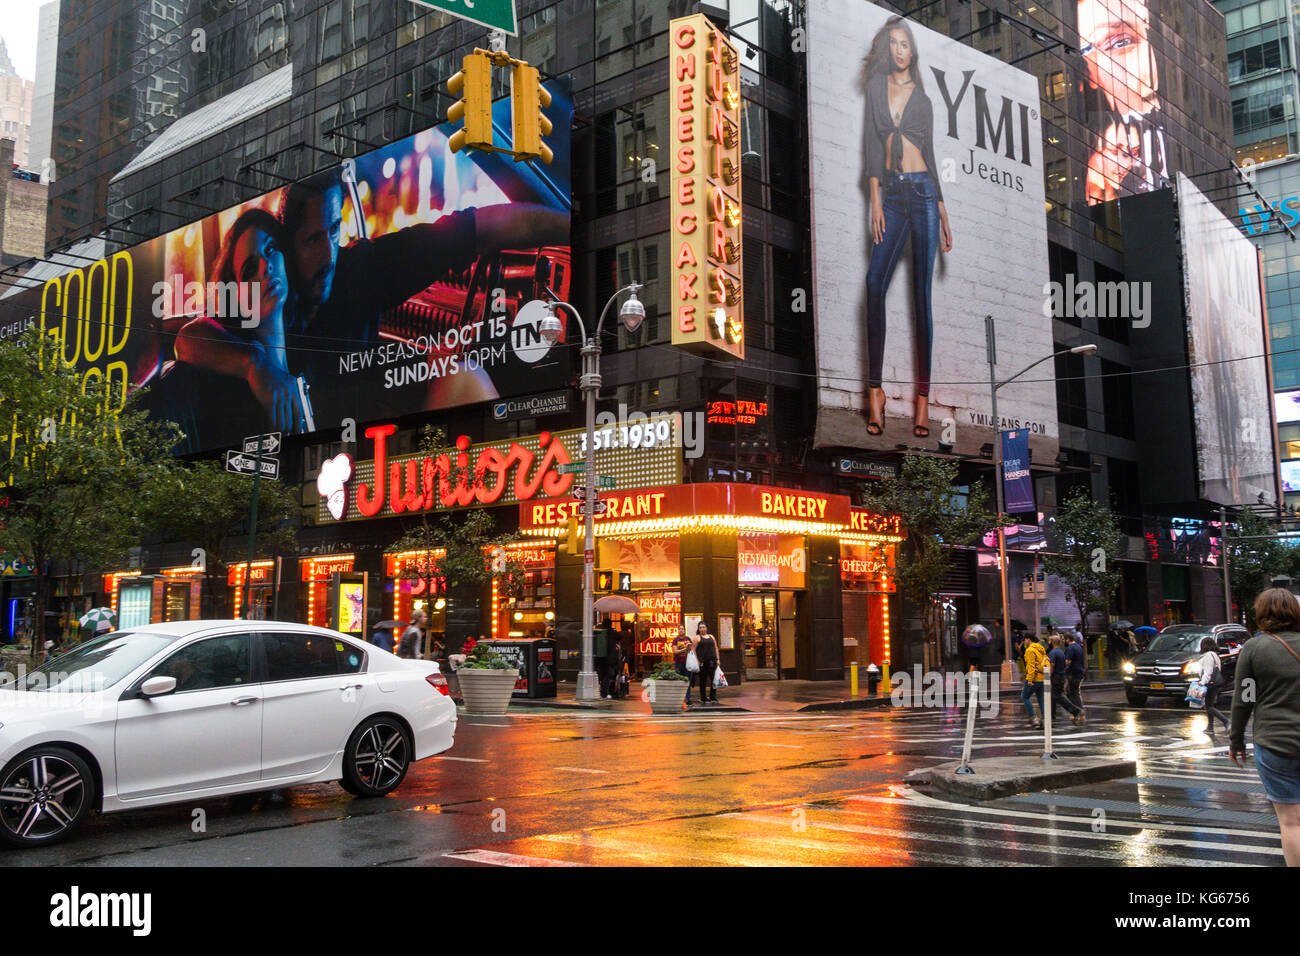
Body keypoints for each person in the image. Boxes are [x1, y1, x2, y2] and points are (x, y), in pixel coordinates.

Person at [169, 169, 570, 432]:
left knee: (462, 375)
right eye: (312, 240)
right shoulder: (260, 309)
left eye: (334, 232)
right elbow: (188, 338)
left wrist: (579, 222)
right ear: (289, 248)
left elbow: (483, 227)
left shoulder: (359, 267)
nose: (329, 254)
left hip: (368, 443)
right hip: (310, 467)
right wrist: (254, 366)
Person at [860, 15, 953, 439]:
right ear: (889, 49)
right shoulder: (878, 89)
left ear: (912, 51)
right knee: (874, 283)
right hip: (893, 196)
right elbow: (871, 142)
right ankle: (875, 392)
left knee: (922, 300)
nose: (900, 50)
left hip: (926, 196)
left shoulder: (924, 99)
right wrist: (875, 200)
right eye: (894, 44)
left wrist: (945, 211)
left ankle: (921, 402)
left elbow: (931, 156)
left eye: (905, 44)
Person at [160, 208, 301, 452]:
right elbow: (186, 338)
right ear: (235, 295)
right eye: (249, 271)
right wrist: (253, 364)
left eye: (270, 249)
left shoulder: (311, 348)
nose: (265, 266)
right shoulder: (229, 379)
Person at [1230, 588, 1300, 866]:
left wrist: (1236, 741)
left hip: (1274, 744)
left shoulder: (1255, 648)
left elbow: (1243, 700)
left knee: (1291, 822)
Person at [1196, 635, 1230, 739]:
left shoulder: (1208, 656)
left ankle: (1226, 721)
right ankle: (1210, 726)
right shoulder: (1214, 655)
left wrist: (1202, 682)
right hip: (1215, 683)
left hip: (1210, 683)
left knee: (1209, 706)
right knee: (1209, 704)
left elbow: (1208, 671)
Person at [1047, 634, 1084, 725]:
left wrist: (1047, 675)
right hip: (1065, 676)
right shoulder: (1061, 651)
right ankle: (1051, 715)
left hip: (1060, 677)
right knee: (1055, 696)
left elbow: (1052, 666)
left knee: (1061, 695)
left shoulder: (1054, 652)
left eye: (1049, 641)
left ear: (1052, 642)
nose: (1048, 643)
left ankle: (1076, 710)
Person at [1021, 635, 1047, 729]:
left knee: (1024, 697)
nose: (1024, 642)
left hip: (1034, 678)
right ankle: (1045, 720)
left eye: (1024, 640)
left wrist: (1030, 679)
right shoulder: (1041, 649)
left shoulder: (1030, 650)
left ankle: (1034, 718)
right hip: (1042, 678)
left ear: (1028, 639)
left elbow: (1031, 666)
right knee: (1041, 700)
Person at [693, 621, 720, 706]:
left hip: (712, 661)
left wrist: (718, 659)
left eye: (703, 627)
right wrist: (697, 660)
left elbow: (716, 648)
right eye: (700, 627)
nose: (702, 629)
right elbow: (693, 650)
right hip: (702, 662)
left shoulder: (711, 636)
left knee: (714, 680)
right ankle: (703, 697)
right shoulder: (697, 638)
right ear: (698, 629)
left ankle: (713, 696)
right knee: (703, 681)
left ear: (706, 628)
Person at [1064, 631, 1087, 723]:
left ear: (1067, 639)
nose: (1063, 642)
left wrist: (1063, 667)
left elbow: (1068, 662)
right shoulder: (1078, 646)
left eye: (1064, 639)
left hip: (1074, 673)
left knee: (1073, 693)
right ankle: (1076, 712)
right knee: (1072, 692)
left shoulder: (1070, 648)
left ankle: (1078, 711)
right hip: (1079, 672)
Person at [672, 626, 696, 706]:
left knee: (687, 681)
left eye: (682, 629)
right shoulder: (675, 640)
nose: (681, 630)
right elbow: (675, 651)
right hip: (678, 663)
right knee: (679, 681)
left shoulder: (688, 639)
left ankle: (688, 699)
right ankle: (678, 699)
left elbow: (692, 649)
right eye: (679, 629)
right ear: (678, 630)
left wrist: (690, 647)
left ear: (685, 630)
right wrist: (685, 649)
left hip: (688, 663)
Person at [602, 628, 624, 700]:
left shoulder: (606, 639)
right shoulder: (614, 644)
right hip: (611, 662)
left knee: (608, 676)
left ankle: (606, 692)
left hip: (608, 662)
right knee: (609, 675)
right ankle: (605, 693)